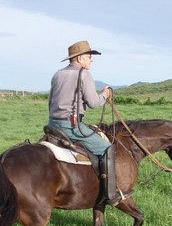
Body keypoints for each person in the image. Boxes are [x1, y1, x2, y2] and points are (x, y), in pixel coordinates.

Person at [48, 40, 131, 207]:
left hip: (53, 124)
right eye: (88, 57)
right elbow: (93, 103)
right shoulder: (84, 75)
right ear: (79, 58)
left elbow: (50, 102)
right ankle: (110, 194)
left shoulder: (57, 74)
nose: (91, 60)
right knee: (108, 148)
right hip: (72, 126)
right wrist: (105, 95)